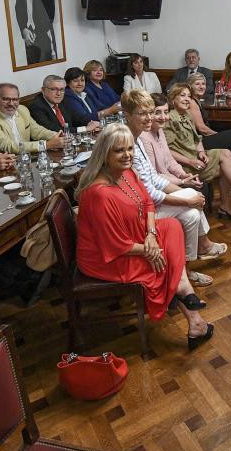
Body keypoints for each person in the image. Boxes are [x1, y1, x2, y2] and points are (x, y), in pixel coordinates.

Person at [75, 125, 213, 351]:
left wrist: (150, 235)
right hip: (108, 259)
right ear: (104, 153)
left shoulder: (127, 173)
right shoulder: (99, 194)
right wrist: (150, 250)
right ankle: (194, 318)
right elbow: (115, 245)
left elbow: (148, 202)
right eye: (119, 150)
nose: (127, 155)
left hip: (133, 237)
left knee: (171, 227)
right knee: (164, 259)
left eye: (130, 149)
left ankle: (180, 288)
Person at [121, 90, 224, 285]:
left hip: (149, 203)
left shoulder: (138, 136)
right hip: (139, 212)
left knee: (192, 213)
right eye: (143, 113)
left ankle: (185, 270)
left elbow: (153, 178)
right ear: (127, 115)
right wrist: (186, 198)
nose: (149, 117)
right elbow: (148, 191)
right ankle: (196, 256)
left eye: (150, 112)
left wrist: (187, 190)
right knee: (191, 205)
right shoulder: (130, 142)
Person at [164, 84, 231, 221]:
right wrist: (191, 161)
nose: (187, 99)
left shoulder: (187, 114)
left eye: (189, 96)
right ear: (173, 98)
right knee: (226, 162)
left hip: (196, 158)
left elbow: (197, 139)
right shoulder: (169, 118)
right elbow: (168, 151)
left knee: (227, 156)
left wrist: (202, 152)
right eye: (183, 95)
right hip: (184, 165)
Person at [0, 83, 63, 155]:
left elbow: (36, 130)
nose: (11, 103)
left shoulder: (22, 109)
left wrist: (56, 136)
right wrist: (47, 145)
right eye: (6, 99)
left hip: (25, 158)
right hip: (0, 166)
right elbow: (8, 147)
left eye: (15, 99)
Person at [29, 74, 97, 133]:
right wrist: (85, 129)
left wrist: (91, 123)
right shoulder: (37, 107)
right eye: (54, 89)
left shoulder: (64, 100)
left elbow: (78, 118)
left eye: (62, 89)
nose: (58, 94)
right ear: (43, 90)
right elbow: (54, 130)